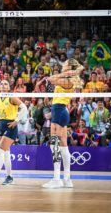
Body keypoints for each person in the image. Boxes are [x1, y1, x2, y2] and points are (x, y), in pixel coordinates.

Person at [43, 58, 84, 188]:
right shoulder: (67, 78)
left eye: (65, 64)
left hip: (60, 110)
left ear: (69, 68)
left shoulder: (68, 81)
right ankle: (66, 179)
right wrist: (71, 71)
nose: (62, 65)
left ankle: (58, 179)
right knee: (61, 145)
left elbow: (49, 79)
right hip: (58, 110)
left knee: (56, 144)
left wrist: (71, 73)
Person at [0, 80, 28, 185]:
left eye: (6, 83)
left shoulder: (11, 97)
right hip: (1, 126)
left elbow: (24, 108)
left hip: (10, 126)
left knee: (0, 151)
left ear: (9, 87)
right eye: (2, 83)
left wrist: (16, 121)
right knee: (6, 153)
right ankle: (9, 176)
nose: (3, 85)